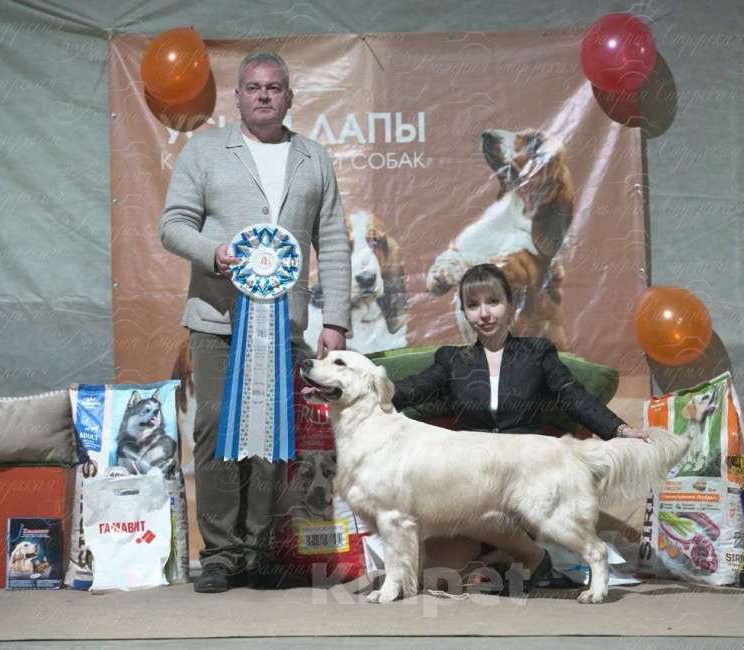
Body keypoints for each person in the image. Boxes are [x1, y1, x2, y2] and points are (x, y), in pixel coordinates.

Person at [160, 51, 351, 593]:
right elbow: (172, 225)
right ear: (237, 97)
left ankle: (260, 551)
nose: (263, 95)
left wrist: (334, 319)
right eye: (252, 87)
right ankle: (220, 554)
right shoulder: (204, 150)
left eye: (274, 87)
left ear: (290, 97)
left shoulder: (313, 158)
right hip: (217, 319)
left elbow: (333, 241)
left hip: (284, 325)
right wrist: (215, 253)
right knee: (215, 426)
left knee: (274, 436)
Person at [391, 263, 647, 591]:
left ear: (511, 305)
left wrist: (620, 430)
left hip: (525, 483)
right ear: (464, 312)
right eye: (473, 305)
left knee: (487, 513)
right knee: (440, 577)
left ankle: (529, 557)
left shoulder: (537, 354)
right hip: (470, 478)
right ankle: (511, 560)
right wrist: (361, 384)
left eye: (493, 301)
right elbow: (411, 389)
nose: (484, 313)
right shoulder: (452, 361)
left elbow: (574, 397)